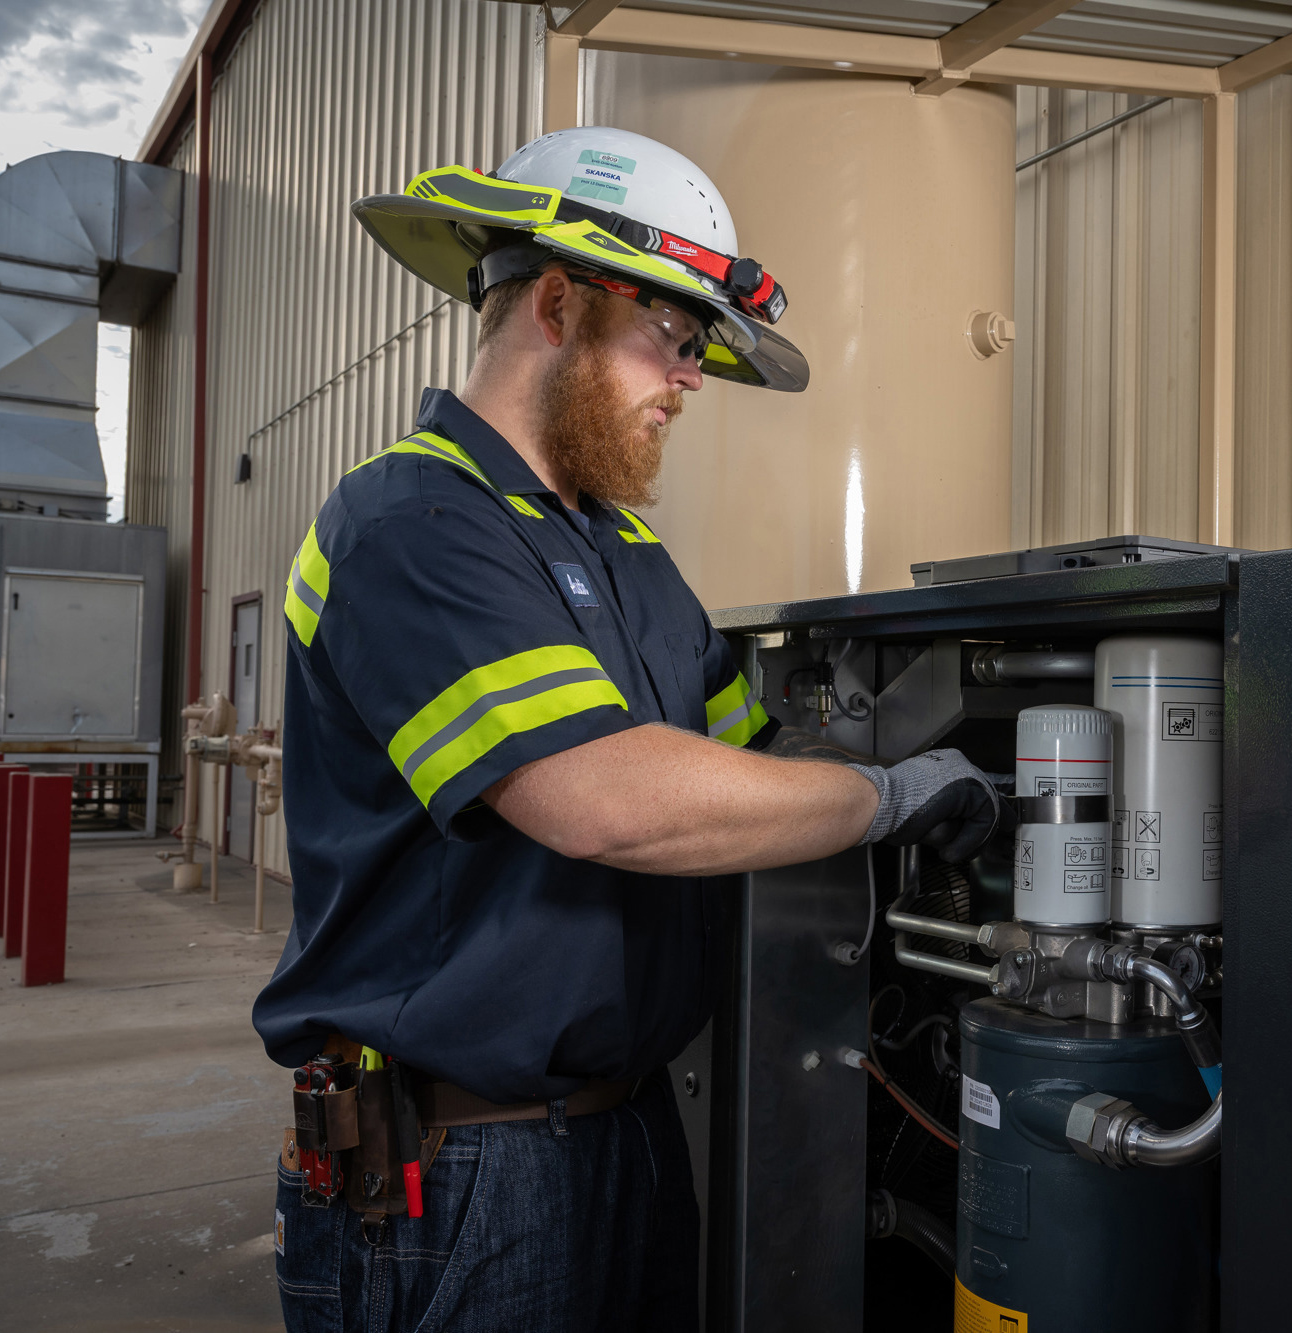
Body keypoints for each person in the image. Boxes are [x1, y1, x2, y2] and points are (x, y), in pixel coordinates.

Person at [256, 127, 1003, 1331]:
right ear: (557, 303)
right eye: (674, 336)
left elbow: (749, 762)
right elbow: (601, 799)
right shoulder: (410, 523)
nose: (693, 378)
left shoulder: (625, 553)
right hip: (458, 1166)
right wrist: (893, 797)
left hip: (628, 1131)